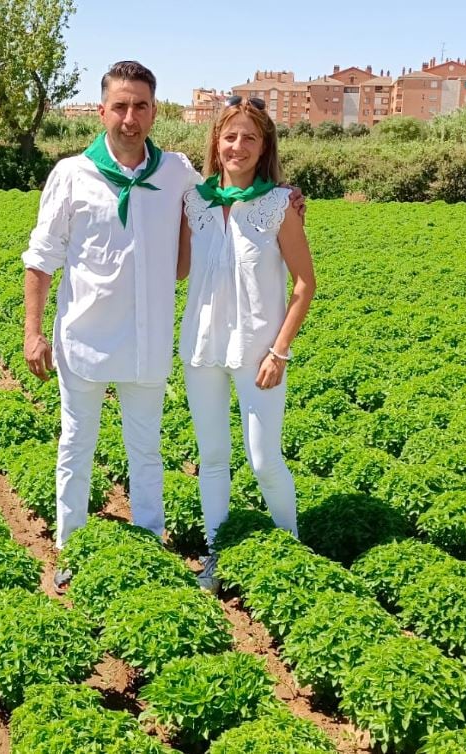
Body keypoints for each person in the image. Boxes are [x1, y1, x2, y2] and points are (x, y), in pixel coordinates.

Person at [22, 62, 304, 591]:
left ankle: (150, 541)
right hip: (82, 335)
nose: (131, 117)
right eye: (121, 106)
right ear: (103, 110)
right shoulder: (71, 174)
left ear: (155, 111)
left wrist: (287, 198)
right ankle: (70, 546)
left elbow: (233, 186)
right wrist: (33, 332)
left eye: (142, 106)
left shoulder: (175, 173)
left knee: (146, 448)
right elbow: (40, 259)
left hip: (148, 339)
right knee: (76, 444)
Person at [177, 97, 316, 592]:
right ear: (216, 141)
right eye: (230, 136)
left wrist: (280, 351)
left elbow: (305, 284)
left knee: (264, 459)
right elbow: (178, 267)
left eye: (249, 138)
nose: (238, 146)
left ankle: (291, 545)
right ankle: (217, 554)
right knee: (212, 457)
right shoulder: (194, 199)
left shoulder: (279, 204)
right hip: (202, 347)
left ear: (264, 147)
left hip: (259, 354)